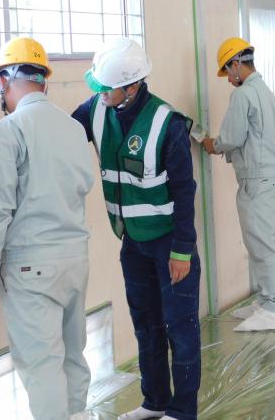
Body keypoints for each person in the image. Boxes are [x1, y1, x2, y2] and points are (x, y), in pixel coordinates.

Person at [71, 37, 201, 420]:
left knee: (180, 328)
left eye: (107, 88)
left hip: (170, 242)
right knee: (146, 324)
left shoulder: (166, 124)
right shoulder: (97, 110)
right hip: (132, 241)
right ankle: (154, 401)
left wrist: (183, 250)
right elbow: (63, 133)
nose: (100, 93)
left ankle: (182, 411)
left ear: (132, 87)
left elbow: (184, 191)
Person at [0, 37, 94, 420]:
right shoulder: (73, 128)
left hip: (30, 266)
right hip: (74, 259)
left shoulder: (5, 132)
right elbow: (83, 184)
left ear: (3, 81)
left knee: (42, 367)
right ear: (44, 79)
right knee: (73, 355)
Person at [202, 37, 275, 332]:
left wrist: (213, 144)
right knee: (262, 240)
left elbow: (231, 137)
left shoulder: (243, 95)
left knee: (263, 243)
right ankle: (266, 301)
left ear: (236, 64)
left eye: (228, 72)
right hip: (269, 177)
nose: (229, 79)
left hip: (256, 181)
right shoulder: (268, 94)